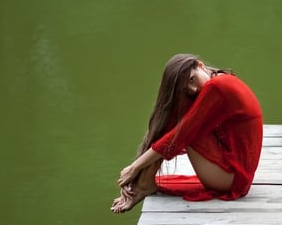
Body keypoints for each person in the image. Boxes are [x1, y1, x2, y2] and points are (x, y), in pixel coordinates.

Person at [111, 53, 263, 213]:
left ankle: (143, 185)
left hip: (231, 179)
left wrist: (135, 167)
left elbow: (181, 134)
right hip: (237, 175)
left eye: (192, 79)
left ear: (200, 65)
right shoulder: (222, 79)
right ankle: (142, 184)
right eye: (186, 88)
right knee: (180, 117)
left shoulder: (217, 86)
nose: (193, 89)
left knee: (185, 129)